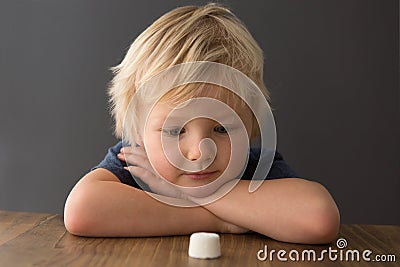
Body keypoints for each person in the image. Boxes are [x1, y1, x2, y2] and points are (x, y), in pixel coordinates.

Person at [64, 3, 340, 244]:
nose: (199, 152)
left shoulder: (253, 169)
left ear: (251, 123)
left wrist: (187, 193)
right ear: (138, 132)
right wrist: (218, 221)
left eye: (221, 129)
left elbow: (319, 218)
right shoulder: (135, 161)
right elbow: (81, 210)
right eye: (174, 131)